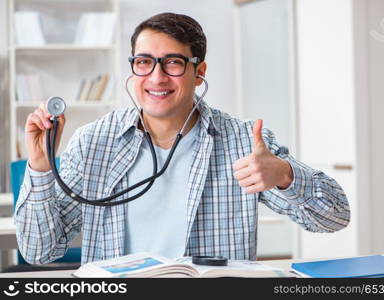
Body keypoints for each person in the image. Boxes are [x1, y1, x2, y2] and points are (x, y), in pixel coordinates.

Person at [16, 12, 350, 264]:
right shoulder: (93, 142)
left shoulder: (242, 141)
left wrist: (283, 175)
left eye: (172, 63)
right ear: (133, 69)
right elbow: (39, 252)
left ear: (199, 72)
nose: (156, 77)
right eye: (144, 62)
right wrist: (40, 168)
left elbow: (334, 217)